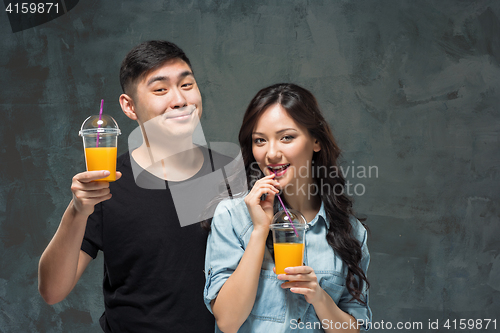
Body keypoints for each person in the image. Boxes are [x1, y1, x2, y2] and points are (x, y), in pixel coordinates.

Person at [38, 40, 230, 333]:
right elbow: (52, 291)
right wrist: (77, 210)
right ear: (129, 106)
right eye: (160, 89)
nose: (179, 100)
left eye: (187, 84)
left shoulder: (232, 173)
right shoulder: (107, 182)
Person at [204, 83, 372, 332]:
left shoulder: (351, 233)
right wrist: (260, 231)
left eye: (286, 137)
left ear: (316, 141)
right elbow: (228, 321)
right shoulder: (231, 216)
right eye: (260, 140)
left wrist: (319, 297)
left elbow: (357, 328)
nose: (271, 153)